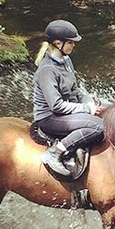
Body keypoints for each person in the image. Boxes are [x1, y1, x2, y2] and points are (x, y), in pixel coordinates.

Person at [33, 19, 105, 176]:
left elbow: (75, 91)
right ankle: (54, 153)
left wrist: (89, 101)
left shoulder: (66, 61)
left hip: (66, 111)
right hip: (50, 118)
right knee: (100, 127)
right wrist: (87, 109)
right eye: (71, 42)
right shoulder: (47, 70)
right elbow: (56, 106)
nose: (74, 45)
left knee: (111, 109)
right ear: (59, 44)